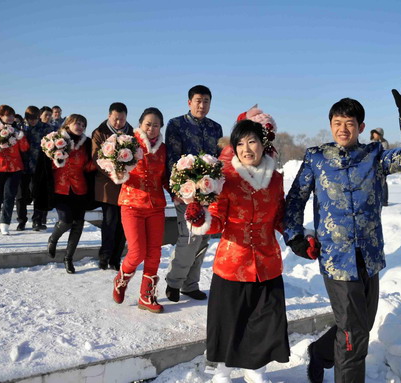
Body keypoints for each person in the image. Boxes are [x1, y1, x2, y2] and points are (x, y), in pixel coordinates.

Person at [283, 74, 401, 383]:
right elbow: (295, 199)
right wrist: (294, 236)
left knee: (362, 324)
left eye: (349, 123)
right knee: (353, 336)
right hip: (336, 258)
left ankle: (321, 353)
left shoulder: (374, 156)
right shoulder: (317, 158)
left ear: (361, 127)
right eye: (336, 122)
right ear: (330, 125)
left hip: (369, 255)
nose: (342, 129)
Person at [186, 118, 289, 383]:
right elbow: (218, 221)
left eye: (251, 141)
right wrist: (200, 219)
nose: (246, 148)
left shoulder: (276, 180)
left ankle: (256, 368)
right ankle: (222, 370)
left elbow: (280, 217)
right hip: (233, 262)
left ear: (262, 145)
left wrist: (299, 235)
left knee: (264, 320)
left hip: (267, 263)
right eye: (240, 143)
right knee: (229, 320)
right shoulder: (226, 179)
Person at [164, 85, 223, 302]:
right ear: (189, 102)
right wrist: (177, 190)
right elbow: (171, 158)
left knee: (204, 238)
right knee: (188, 237)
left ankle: (191, 284)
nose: (202, 105)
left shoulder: (215, 128)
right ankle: (174, 282)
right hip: (186, 192)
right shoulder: (176, 125)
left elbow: (218, 161)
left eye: (206, 101)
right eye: (198, 100)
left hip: (209, 192)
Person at [112, 107, 167, 313]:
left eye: (156, 125)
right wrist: (116, 171)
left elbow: (164, 176)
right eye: (148, 124)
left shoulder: (163, 149)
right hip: (132, 203)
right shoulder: (127, 142)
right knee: (137, 252)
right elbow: (113, 168)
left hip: (156, 205)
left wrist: (180, 192)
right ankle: (121, 279)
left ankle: (147, 296)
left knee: (154, 253)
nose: (152, 128)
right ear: (141, 124)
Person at [33, 114, 96, 274]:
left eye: (83, 124)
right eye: (77, 123)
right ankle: (53, 239)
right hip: (60, 188)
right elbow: (46, 164)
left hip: (80, 188)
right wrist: (54, 159)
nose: (80, 126)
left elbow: (87, 167)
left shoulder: (87, 143)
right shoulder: (55, 139)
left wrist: (97, 163)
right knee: (66, 220)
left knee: (78, 225)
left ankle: (68, 258)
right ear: (68, 124)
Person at [91, 102, 134, 271]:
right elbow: (96, 158)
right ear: (109, 116)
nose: (118, 123)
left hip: (126, 185)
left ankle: (116, 258)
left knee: (123, 224)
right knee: (109, 222)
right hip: (107, 184)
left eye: (122, 120)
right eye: (116, 119)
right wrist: (112, 173)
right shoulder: (100, 132)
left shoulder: (132, 133)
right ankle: (104, 256)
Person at [0, 105, 30, 235]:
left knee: (9, 196)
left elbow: (25, 148)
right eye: (6, 115)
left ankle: (6, 223)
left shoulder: (16, 130)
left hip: (14, 167)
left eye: (11, 115)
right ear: (0, 116)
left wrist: (21, 138)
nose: (10, 117)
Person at [16, 106, 55, 231]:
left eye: (34, 118)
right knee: (21, 196)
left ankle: (37, 220)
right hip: (22, 166)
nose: (32, 121)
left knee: (38, 194)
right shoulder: (21, 128)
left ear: (38, 117)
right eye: (29, 118)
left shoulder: (46, 128)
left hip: (39, 166)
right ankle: (21, 220)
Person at [370, 128, 390, 206]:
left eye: (376, 133)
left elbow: (384, 154)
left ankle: (384, 201)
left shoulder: (384, 143)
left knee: (383, 182)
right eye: (373, 133)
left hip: (382, 165)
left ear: (380, 135)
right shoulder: (372, 142)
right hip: (373, 165)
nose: (374, 135)